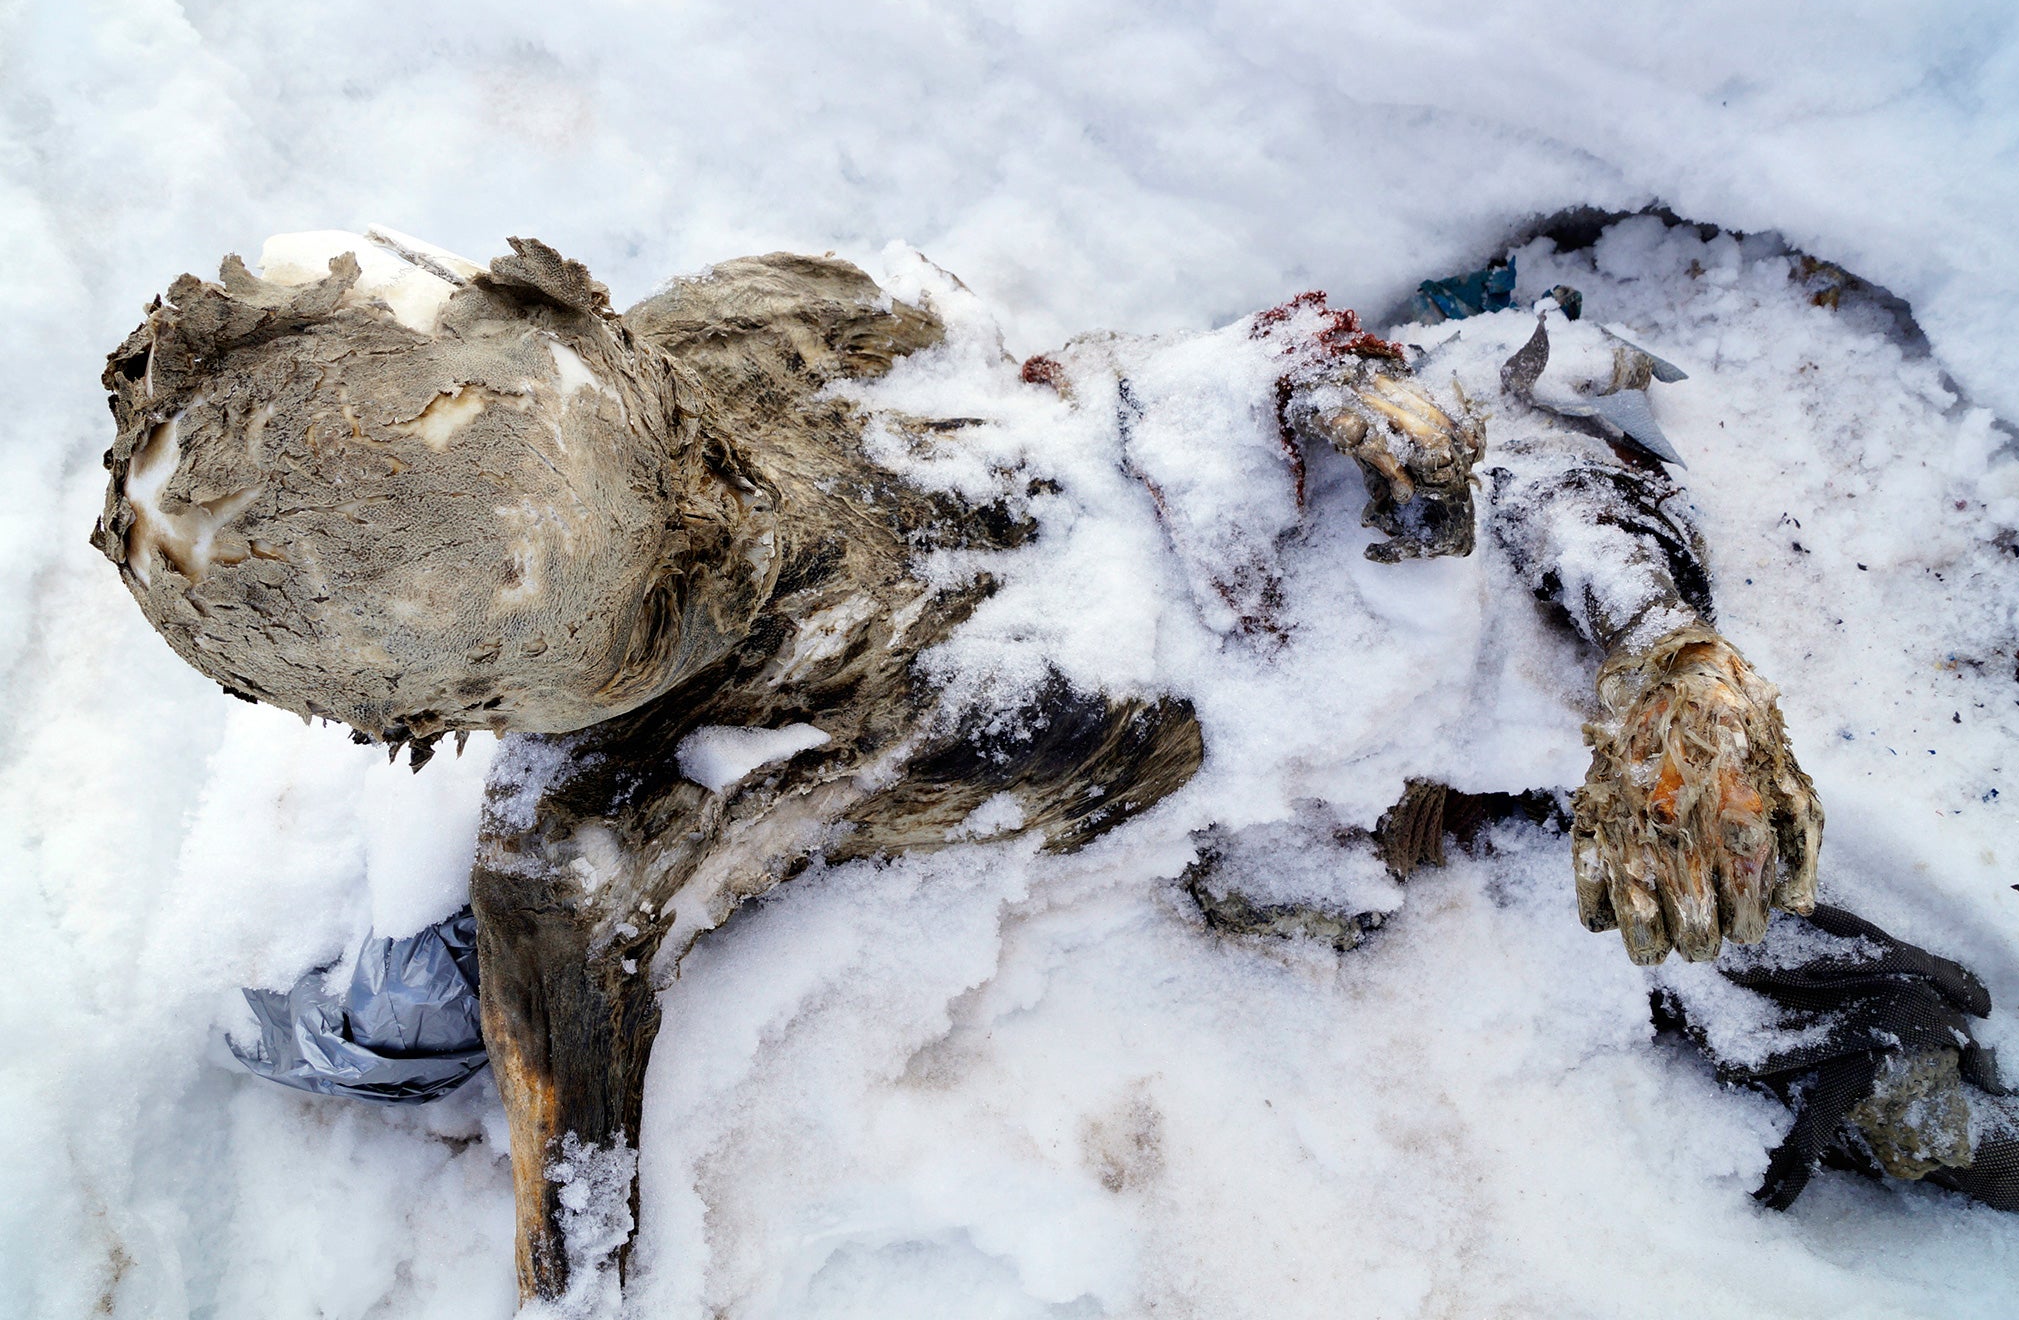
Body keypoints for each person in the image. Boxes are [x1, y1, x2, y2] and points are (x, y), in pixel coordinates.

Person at [97, 226, 1830, 1304]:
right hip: (1293, 805)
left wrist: (1657, 653)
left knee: (1517, 445)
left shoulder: (765, 326)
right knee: (1842, 1038)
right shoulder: (599, 839)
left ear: (559, 318)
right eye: (543, 605)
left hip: (1371, 580)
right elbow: (584, 1246)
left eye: (559, 450)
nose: (693, 547)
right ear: (451, 706)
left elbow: (1042, 364)